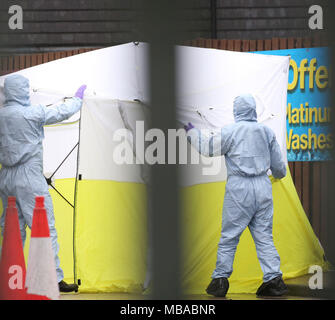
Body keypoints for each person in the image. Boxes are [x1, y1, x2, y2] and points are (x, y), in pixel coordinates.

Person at [184, 94, 288, 297]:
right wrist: (275, 175)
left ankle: (220, 281)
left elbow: (207, 149)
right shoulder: (267, 132)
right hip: (263, 187)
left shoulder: (230, 131)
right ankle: (274, 279)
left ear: (236, 111)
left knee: (229, 237)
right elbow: (279, 169)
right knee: (264, 236)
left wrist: (192, 133)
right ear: (254, 110)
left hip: (239, 189)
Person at [0, 74, 87, 293]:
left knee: (11, 230)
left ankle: (11, 279)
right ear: (22, 91)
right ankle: (52, 278)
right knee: (43, 225)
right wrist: (77, 100)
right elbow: (60, 112)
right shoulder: (32, 113)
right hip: (29, 176)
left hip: (5, 177)